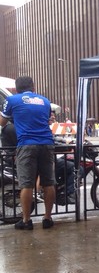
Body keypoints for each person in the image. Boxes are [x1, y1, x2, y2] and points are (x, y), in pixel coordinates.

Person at [0, 76, 56, 229]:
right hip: (47, 143)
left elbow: (2, 122)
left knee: (26, 184)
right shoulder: (45, 101)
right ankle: (47, 218)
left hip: (26, 144)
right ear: (33, 87)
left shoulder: (12, 100)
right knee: (48, 182)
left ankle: (26, 220)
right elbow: (46, 120)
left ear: (17, 88)